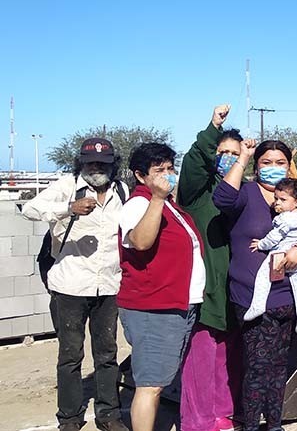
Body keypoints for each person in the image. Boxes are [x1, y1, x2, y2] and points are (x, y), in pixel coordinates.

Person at [213, 138, 297, 431]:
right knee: (257, 367)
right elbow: (223, 199)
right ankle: (252, 424)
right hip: (251, 294)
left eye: (280, 162)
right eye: (266, 162)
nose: (273, 168)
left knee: (279, 367)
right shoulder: (247, 193)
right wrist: (243, 157)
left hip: (286, 295)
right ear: (256, 166)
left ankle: (274, 424)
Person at [22, 138, 128, 431]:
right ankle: (69, 417)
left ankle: (108, 414)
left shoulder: (121, 190)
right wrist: (69, 208)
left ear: (112, 164)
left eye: (103, 162)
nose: (97, 167)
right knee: (70, 355)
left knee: (107, 353)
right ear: (81, 162)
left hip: (108, 285)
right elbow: (29, 209)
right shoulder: (67, 185)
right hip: (70, 285)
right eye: (91, 162)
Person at [118, 143, 205, 431]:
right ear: (141, 176)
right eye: (159, 171)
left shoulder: (170, 205)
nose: (167, 175)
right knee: (151, 384)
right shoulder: (139, 204)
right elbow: (141, 242)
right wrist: (156, 199)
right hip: (154, 306)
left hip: (177, 303)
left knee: (159, 379)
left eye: (170, 169)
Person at [176, 104, 243, 431]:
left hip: (235, 290)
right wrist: (213, 127)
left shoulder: (243, 193)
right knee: (200, 360)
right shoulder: (196, 194)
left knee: (226, 358)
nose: (228, 157)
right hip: (205, 290)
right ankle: (197, 422)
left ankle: (222, 415)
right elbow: (193, 166)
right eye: (223, 152)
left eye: (235, 153)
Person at [247, 178, 297, 330]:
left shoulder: (285, 219)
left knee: (263, 277)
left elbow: (273, 238)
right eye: (276, 198)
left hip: (281, 255)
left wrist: (261, 244)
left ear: (296, 202)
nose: (277, 203)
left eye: (283, 199)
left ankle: (257, 305)